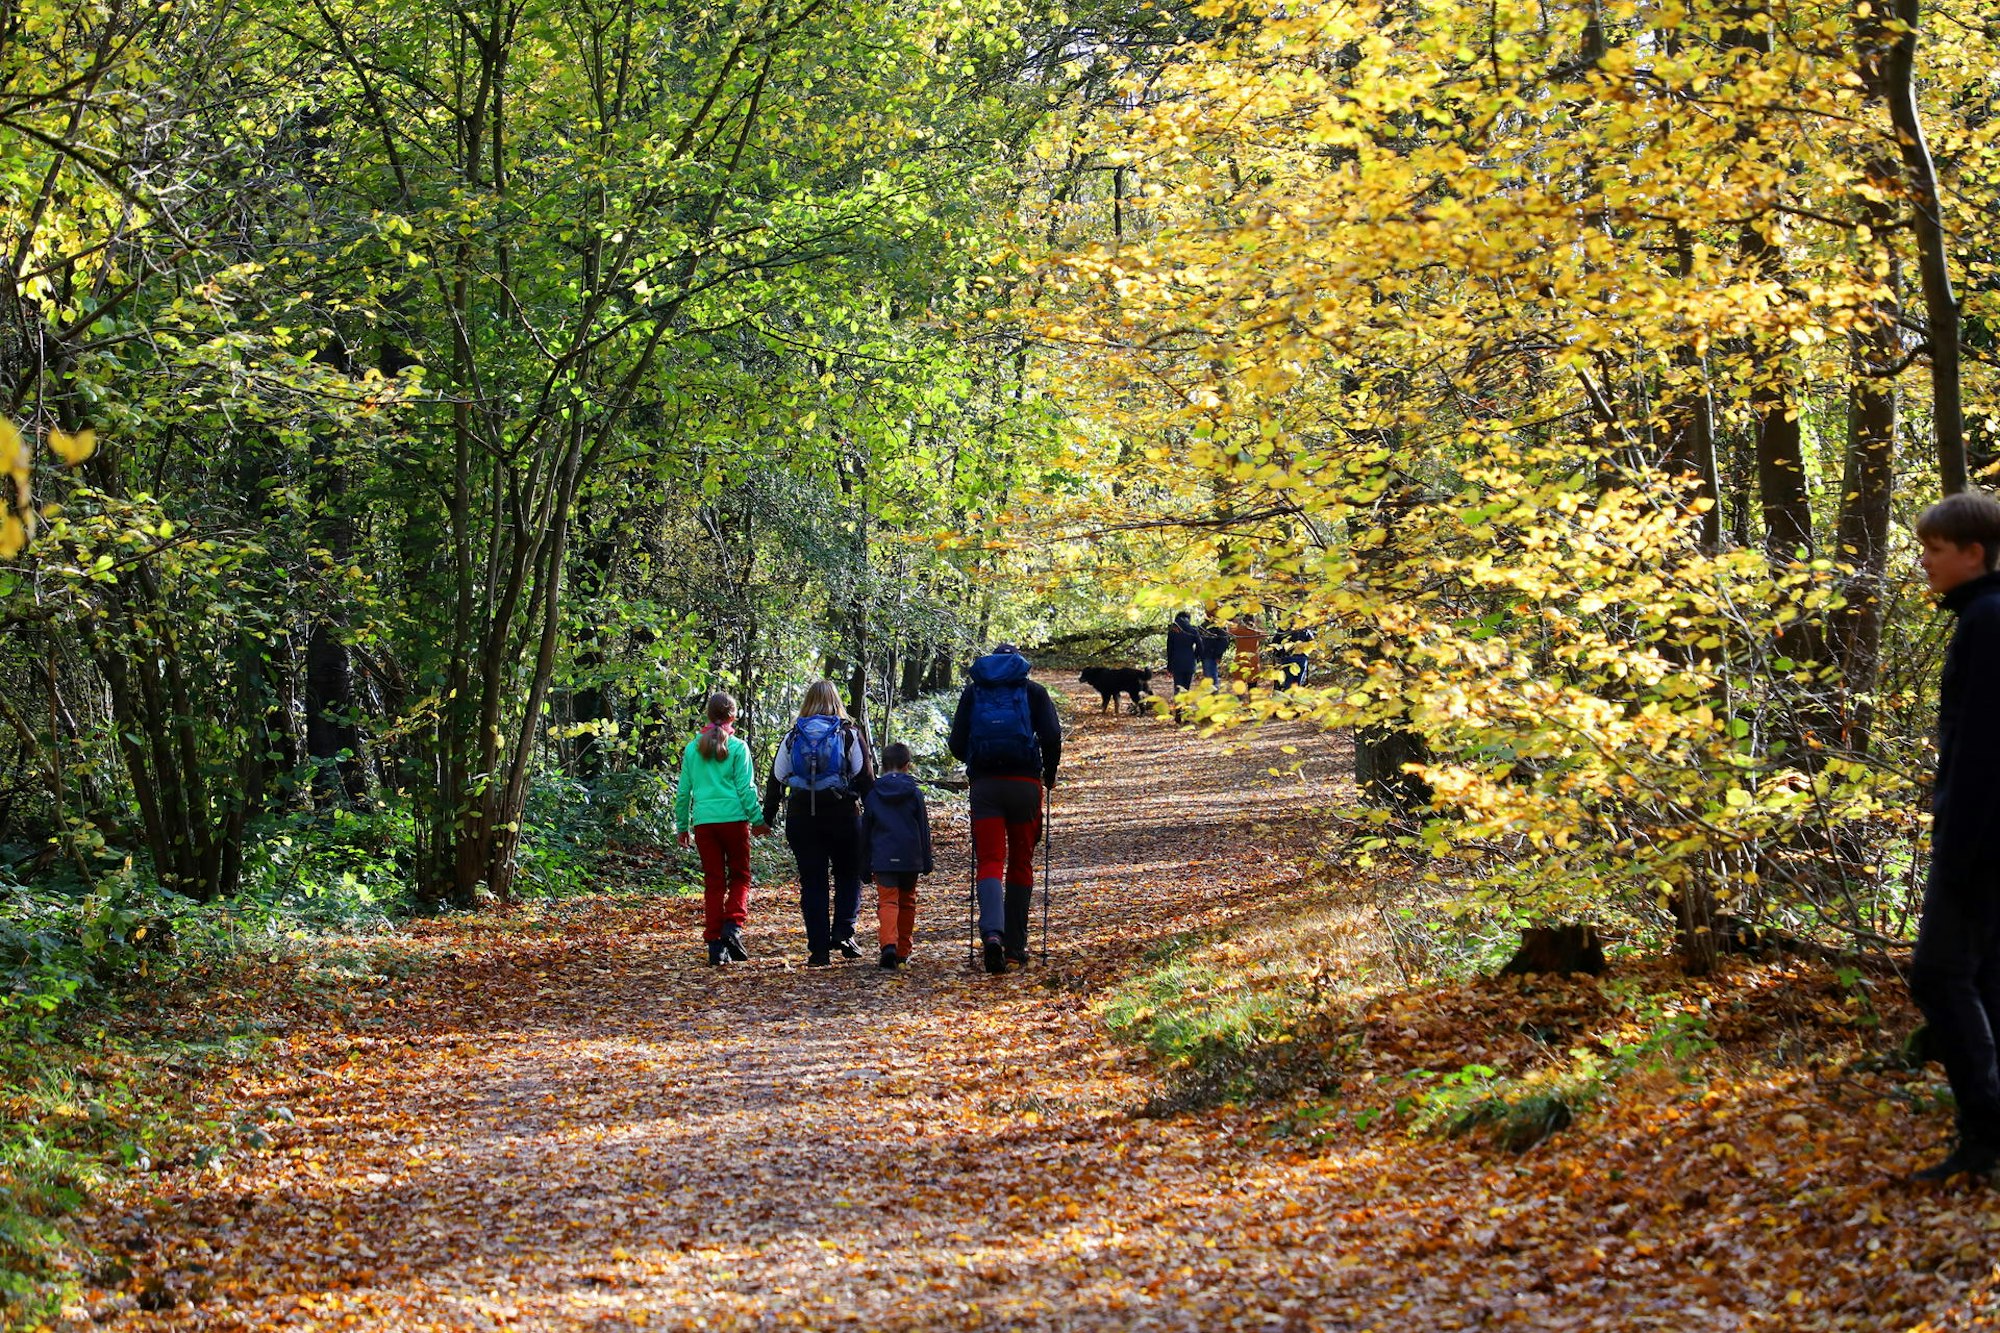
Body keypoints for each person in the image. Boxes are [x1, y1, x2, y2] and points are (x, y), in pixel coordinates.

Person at [1910, 491, 2000, 1180]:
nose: (1923, 563)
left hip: (1982, 840)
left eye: (1934, 551)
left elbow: (1979, 750)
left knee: (1940, 973)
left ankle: (1985, 1136)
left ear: (1973, 553)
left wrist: (1957, 847)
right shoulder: (1983, 614)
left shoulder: (1987, 621)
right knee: (1986, 980)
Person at [949, 642, 1062, 974]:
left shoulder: (973, 694)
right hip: (1025, 785)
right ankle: (1015, 947)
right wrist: (1049, 774)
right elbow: (1053, 736)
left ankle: (992, 937)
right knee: (1021, 861)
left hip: (985, 788)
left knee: (990, 860)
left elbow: (956, 744)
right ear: (1019, 663)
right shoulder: (1034, 692)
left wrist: (976, 759)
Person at [762, 679, 874, 967]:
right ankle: (844, 932)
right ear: (837, 701)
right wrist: (874, 816)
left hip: (802, 816)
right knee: (848, 874)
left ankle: (819, 950)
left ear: (807, 702)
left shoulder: (792, 736)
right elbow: (864, 778)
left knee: (813, 881)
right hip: (843, 814)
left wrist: (768, 817)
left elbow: (776, 778)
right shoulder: (849, 734)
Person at [673, 692, 769, 966]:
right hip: (734, 820)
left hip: (704, 823)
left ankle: (715, 945)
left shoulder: (692, 749)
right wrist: (758, 819)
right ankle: (733, 926)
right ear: (733, 716)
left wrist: (682, 826)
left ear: (707, 714)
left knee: (714, 882)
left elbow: (683, 792)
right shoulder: (738, 748)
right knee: (740, 876)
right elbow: (746, 788)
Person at [861, 741, 933, 969]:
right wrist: (926, 860)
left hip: (883, 857)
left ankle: (888, 946)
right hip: (910, 857)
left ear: (882, 765)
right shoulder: (914, 793)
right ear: (907, 766)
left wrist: (864, 863)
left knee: (888, 901)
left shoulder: (873, 794)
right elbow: (923, 828)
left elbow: (866, 829)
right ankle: (903, 950)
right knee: (907, 902)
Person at [1165, 611, 1201, 695]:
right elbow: (1200, 646)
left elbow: (1169, 650)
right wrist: (1195, 657)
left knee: (1178, 686)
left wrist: (1169, 666)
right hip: (1190, 661)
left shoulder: (1172, 631)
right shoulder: (1193, 630)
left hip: (1176, 661)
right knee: (1186, 687)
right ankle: (1184, 706)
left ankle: (1178, 706)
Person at [1197, 618, 1230, 685]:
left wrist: (1218, 655)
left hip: (1211, 655)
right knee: (1208, 676)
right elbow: (1199, 640)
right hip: (1205, 655)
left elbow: (1224, 641)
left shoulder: (1218, 625)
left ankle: (1214, 693)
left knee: (1211, 677)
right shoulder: (1203, 625)